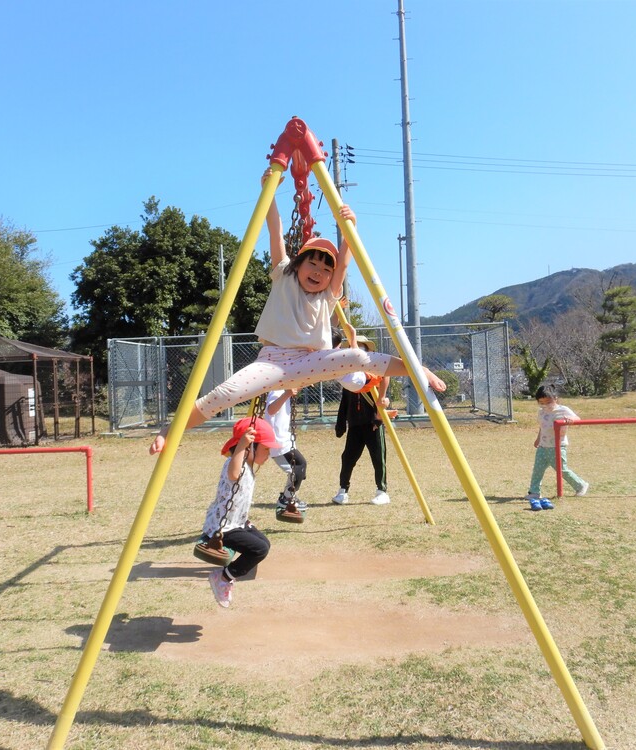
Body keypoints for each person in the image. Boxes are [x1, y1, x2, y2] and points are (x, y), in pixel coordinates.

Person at [149, 169, 446, 455]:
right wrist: (270, 195)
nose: (318, 272)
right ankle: (169, 429)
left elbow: (343, 262)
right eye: (312, 264)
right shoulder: (284, 276)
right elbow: (275, 232)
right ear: (298, 264)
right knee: (225, 394)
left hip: (310, 361)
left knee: (358, 358)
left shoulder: (330, 294)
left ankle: (419, 370)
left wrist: (349, 228)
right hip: (272, 362)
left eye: (325, 269)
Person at [203, 416, 279, 608]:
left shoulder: (248, 465)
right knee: (259, 550)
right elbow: (234, 475)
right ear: (249, 448)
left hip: (237, 522)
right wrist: (241, 446)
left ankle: (231, 573)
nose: (269, 453)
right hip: (222, 527)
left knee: (264, 543)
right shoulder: (236, 464)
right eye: (266, 449)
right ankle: (223, 577)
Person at [332, 338, 392, 506]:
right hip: (355, 424)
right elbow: (344, 402)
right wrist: (341, 423)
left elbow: (383, 393)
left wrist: (379, 416)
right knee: (348, 458)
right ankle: (343, 490)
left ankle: (382, 490)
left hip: (372, 423)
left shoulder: (375, 375)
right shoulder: (350, 379)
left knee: (378, 457)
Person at [526, 383, 589, 510]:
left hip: (558, 446)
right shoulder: (541, 412)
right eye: (541, 402)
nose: (545, 405)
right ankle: (534, 492)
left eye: (548, 401)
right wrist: (538, 439)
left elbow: (577, 418)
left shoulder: (563, 410)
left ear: (555, 398)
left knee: (562, 469)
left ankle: (581, 485)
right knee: (537, 470)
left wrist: (571, 420)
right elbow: (542, 427)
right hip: (543, 446)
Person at [265, 387, 308, 517]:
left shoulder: (284, 391)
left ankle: (288, 496)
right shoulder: (277, 391)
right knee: (297, 469)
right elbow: (271, 410)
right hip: (277, 442)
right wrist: (287, 394)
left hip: (284, 439)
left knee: (300, 467)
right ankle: (286, 499)